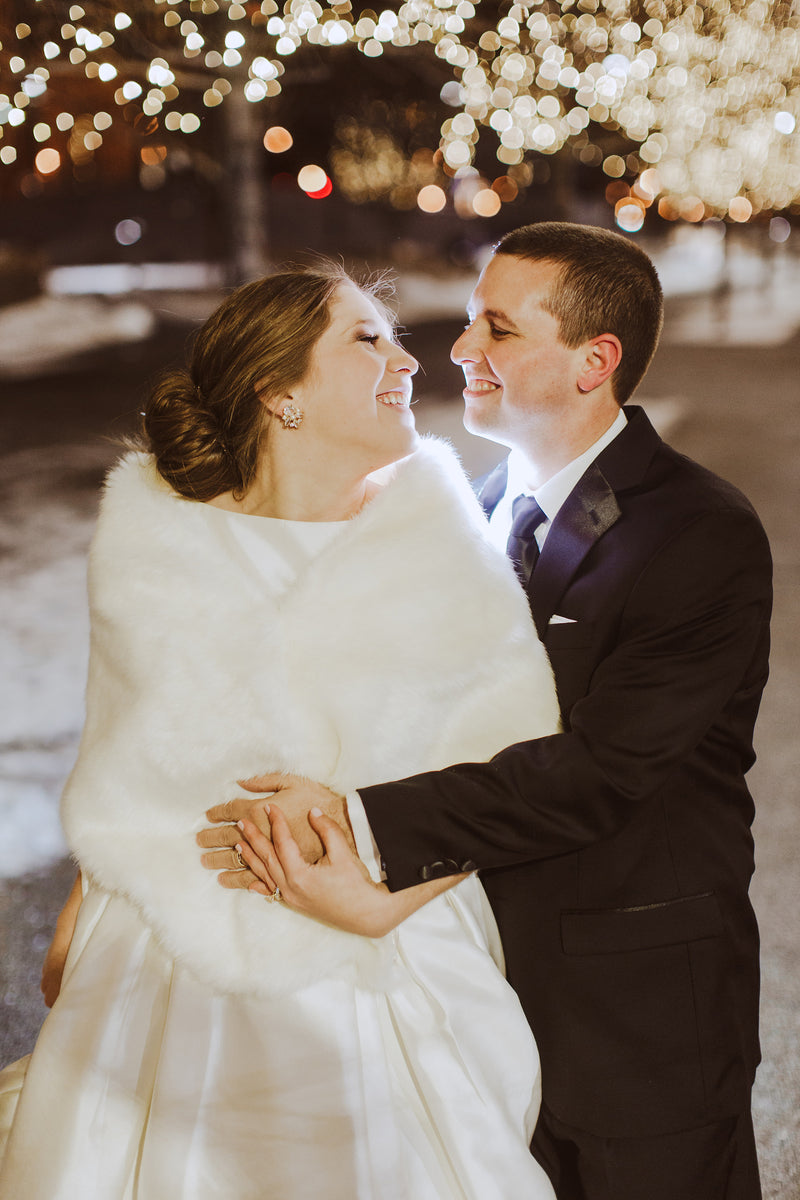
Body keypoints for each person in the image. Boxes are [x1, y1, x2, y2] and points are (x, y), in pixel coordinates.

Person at [206, 224, 772, 1200]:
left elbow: (601, 771)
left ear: (594, 361)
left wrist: (356, 826)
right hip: (469, 989)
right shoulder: (462, 515)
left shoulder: (696, 535)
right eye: (469, 321)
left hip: (633, 1014)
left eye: (497, 330)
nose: (460, 350)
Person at [0, 265, 561, 1199]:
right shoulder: (155, 543)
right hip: (161, 935)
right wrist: (78, 906)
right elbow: (122, 745)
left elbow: (506, 757)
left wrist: (378, 901)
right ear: (279, 391)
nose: (406, 360)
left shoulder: (438, 539)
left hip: (377, 939)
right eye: (366, 339)